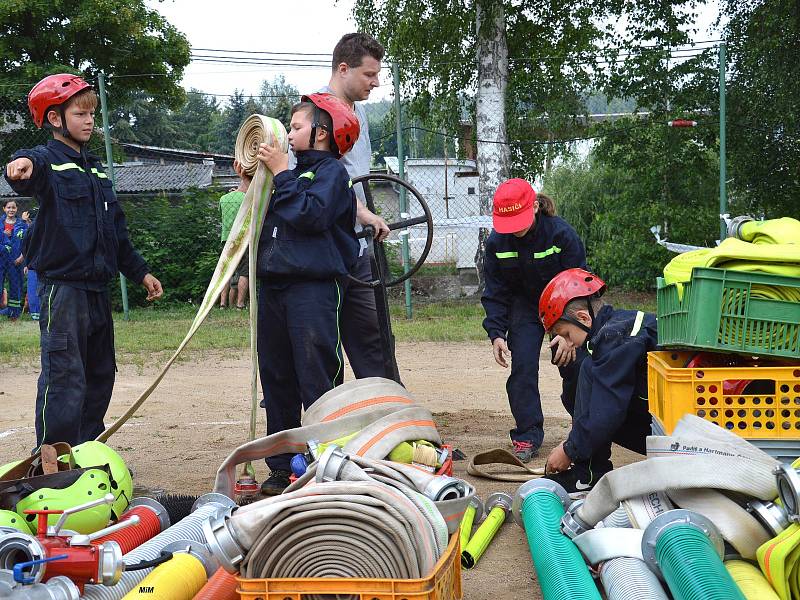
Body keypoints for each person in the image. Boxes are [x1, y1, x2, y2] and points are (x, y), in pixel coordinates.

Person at [4, 74, 163, 448]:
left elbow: (116, 232)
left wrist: (140, 273)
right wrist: (19, 162)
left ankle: (87, 450)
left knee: (100, 373)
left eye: (92, 113)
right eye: (80, 113)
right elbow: (29, 165)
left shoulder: (96, 170)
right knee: (65, 375)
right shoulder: (48, 162)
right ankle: (54, 459)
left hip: (96, 289)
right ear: (55, 119)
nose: (90, 120)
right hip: (63, 289)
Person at [255, 93, 360, 495]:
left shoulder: (333, 174)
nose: (289, 132)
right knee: (277, 378)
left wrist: (281, 173)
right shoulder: (291, 173)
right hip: (276, 287)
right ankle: (281, 466)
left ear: (321, 133)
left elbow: (310, 215)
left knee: (316, 373)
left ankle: (323, 459)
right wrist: (255, 180)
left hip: (313, 289)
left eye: (297, 127)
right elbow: (267, 221)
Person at [481, 179, 587, 463]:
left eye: (520, 220)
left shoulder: (561, 234)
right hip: (525, 307)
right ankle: (527, 435)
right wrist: (496, 333)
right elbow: (495, 292)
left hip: (562, 305)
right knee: (523, 367)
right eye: (509, 223)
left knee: (574, 363)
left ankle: (583, 429)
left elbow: (579, 285)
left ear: (536, 207)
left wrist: (568, 333)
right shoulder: (496, 242)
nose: (515, 229)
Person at [312, 32, 391, 379]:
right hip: (325, 252)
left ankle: (387, 409)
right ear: (343, 69)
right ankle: (333, 417)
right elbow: (321, 181)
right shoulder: (315, 116)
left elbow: (357, 177)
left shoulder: (359, 114)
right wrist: (363, 213)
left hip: (358, 250)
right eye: (369, 75)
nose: (376, 82)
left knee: (373, 335)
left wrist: (365, 218)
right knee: (325, 343)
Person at [541, 268, 657, 493]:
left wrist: (569, 450)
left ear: (583, 318)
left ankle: (588, 476)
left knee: (593, 383)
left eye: (564, 333)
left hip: (683, 433)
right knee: (586, 369)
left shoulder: (615, 338)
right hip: (673, 422)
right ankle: (589, 472)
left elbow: (606, 413)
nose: (567, 342)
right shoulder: (618, 325)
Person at [219, 160, 251, 309]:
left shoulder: (223, 199)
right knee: (244, 272)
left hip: (226, 238)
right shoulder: (247, 199)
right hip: (243, 239)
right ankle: (239, 304)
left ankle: (222, 304)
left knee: (225, 272)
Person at [0, 199, 27, 320]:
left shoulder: (22, 224)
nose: (11, 210)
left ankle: (14, 314)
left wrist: (22, 257)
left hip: (16, 260)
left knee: (15, 286)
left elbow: (28, 242)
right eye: (9, 207)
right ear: (4, 209)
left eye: (13, 208)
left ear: (16, 209)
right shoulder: (0, 224)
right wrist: (4, 235)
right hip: (1, 259)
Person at [20, 210, 40, 321]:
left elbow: (25, 247)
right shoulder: (48, 226)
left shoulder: (30, 229)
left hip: (33, 264)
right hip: (44, 264)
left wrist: (27, 263)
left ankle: (35, 314)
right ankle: (39, 313)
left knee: (33, 288)